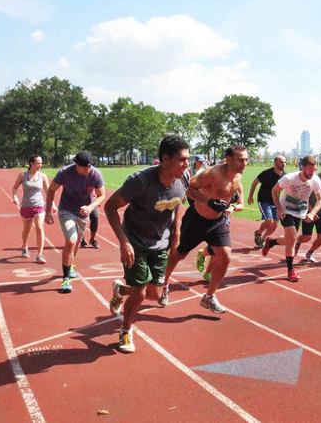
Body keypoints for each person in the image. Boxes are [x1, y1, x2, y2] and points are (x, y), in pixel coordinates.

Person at [105, 136, 190, 353]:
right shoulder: (140, 181)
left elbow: (178, 201)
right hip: (136, 241)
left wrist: (176, 232)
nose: (187, 164)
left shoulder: (184, 178)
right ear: (165, 159)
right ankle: (125, 331)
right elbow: (110, 207)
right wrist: (123, 241)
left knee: (155, 294)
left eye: (188, 159)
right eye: (182, 160)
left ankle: (121, 290)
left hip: (160, 242)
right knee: (141, 293)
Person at [159, 145, 249, 313]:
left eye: (246, 160)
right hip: (197, 219)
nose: (245, 163)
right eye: (240, 160)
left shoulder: (237, 177)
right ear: (229, 159)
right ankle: (164, 285)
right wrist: (207, 201)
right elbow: (186, 186)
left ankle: (209, 297)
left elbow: (233, 195)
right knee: (179, 254)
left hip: (218, 221)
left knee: (225, 256)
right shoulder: (212, 174)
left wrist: (231, 205)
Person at [45, 152, 105, 293]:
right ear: (76, 165)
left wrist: (90, 207)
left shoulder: (95, 174)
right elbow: (51, 190)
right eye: (84, 168)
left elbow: (102, 195)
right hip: (66, 209)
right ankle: (66, 279)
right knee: (71, 241)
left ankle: (70, 264)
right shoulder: (65, 172)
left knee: (76, 243)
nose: (88, 171)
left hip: (83, 212)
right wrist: (48, 211)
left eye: (89, 167)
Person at [262, 156, 321, 281]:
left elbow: (320, 199)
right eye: (309, 170)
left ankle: (271, 242)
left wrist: (312, 213)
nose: (312, 173)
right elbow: (275, 190)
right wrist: (279, 208)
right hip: (286, 210)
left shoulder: (315, 180)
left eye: (314, 170)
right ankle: (291, 270)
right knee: (293, 238)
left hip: (300, 212)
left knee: (289, 240)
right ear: (303, 167)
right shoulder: (290, 178)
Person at [11, 155, 55, 264]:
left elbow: (48, 192)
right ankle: (24, 246)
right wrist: (15, 197)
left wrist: (52, 204)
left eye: (41, 163)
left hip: (39, 206)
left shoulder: (43, 176)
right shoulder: (23, 175)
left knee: (39, 228)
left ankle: (39, 254)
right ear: (31, 163)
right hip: (26, 206)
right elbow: (14, 188)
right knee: (27, 229)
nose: (40, 165)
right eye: (37, 163)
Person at [197, 191, 244, 282]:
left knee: (218, 250)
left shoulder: (237, 186)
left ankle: (207, 271)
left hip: (225, 223)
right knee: (217, 248)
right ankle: (203, 256)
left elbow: (241, 205)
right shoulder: (218, 183)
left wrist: (232, 207)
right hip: (214, 221)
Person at [247, 155, 287, 246]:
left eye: (285, 162)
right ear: (275, 162)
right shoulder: (267, 173)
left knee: (275, 224)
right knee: (269, 220)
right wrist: (250, 196)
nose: (283, 164)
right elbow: (255, 182)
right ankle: (258, 233)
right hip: (264, 200)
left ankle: (263, 239)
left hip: (275, 201)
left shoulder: (285, 175)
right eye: (281, 162)